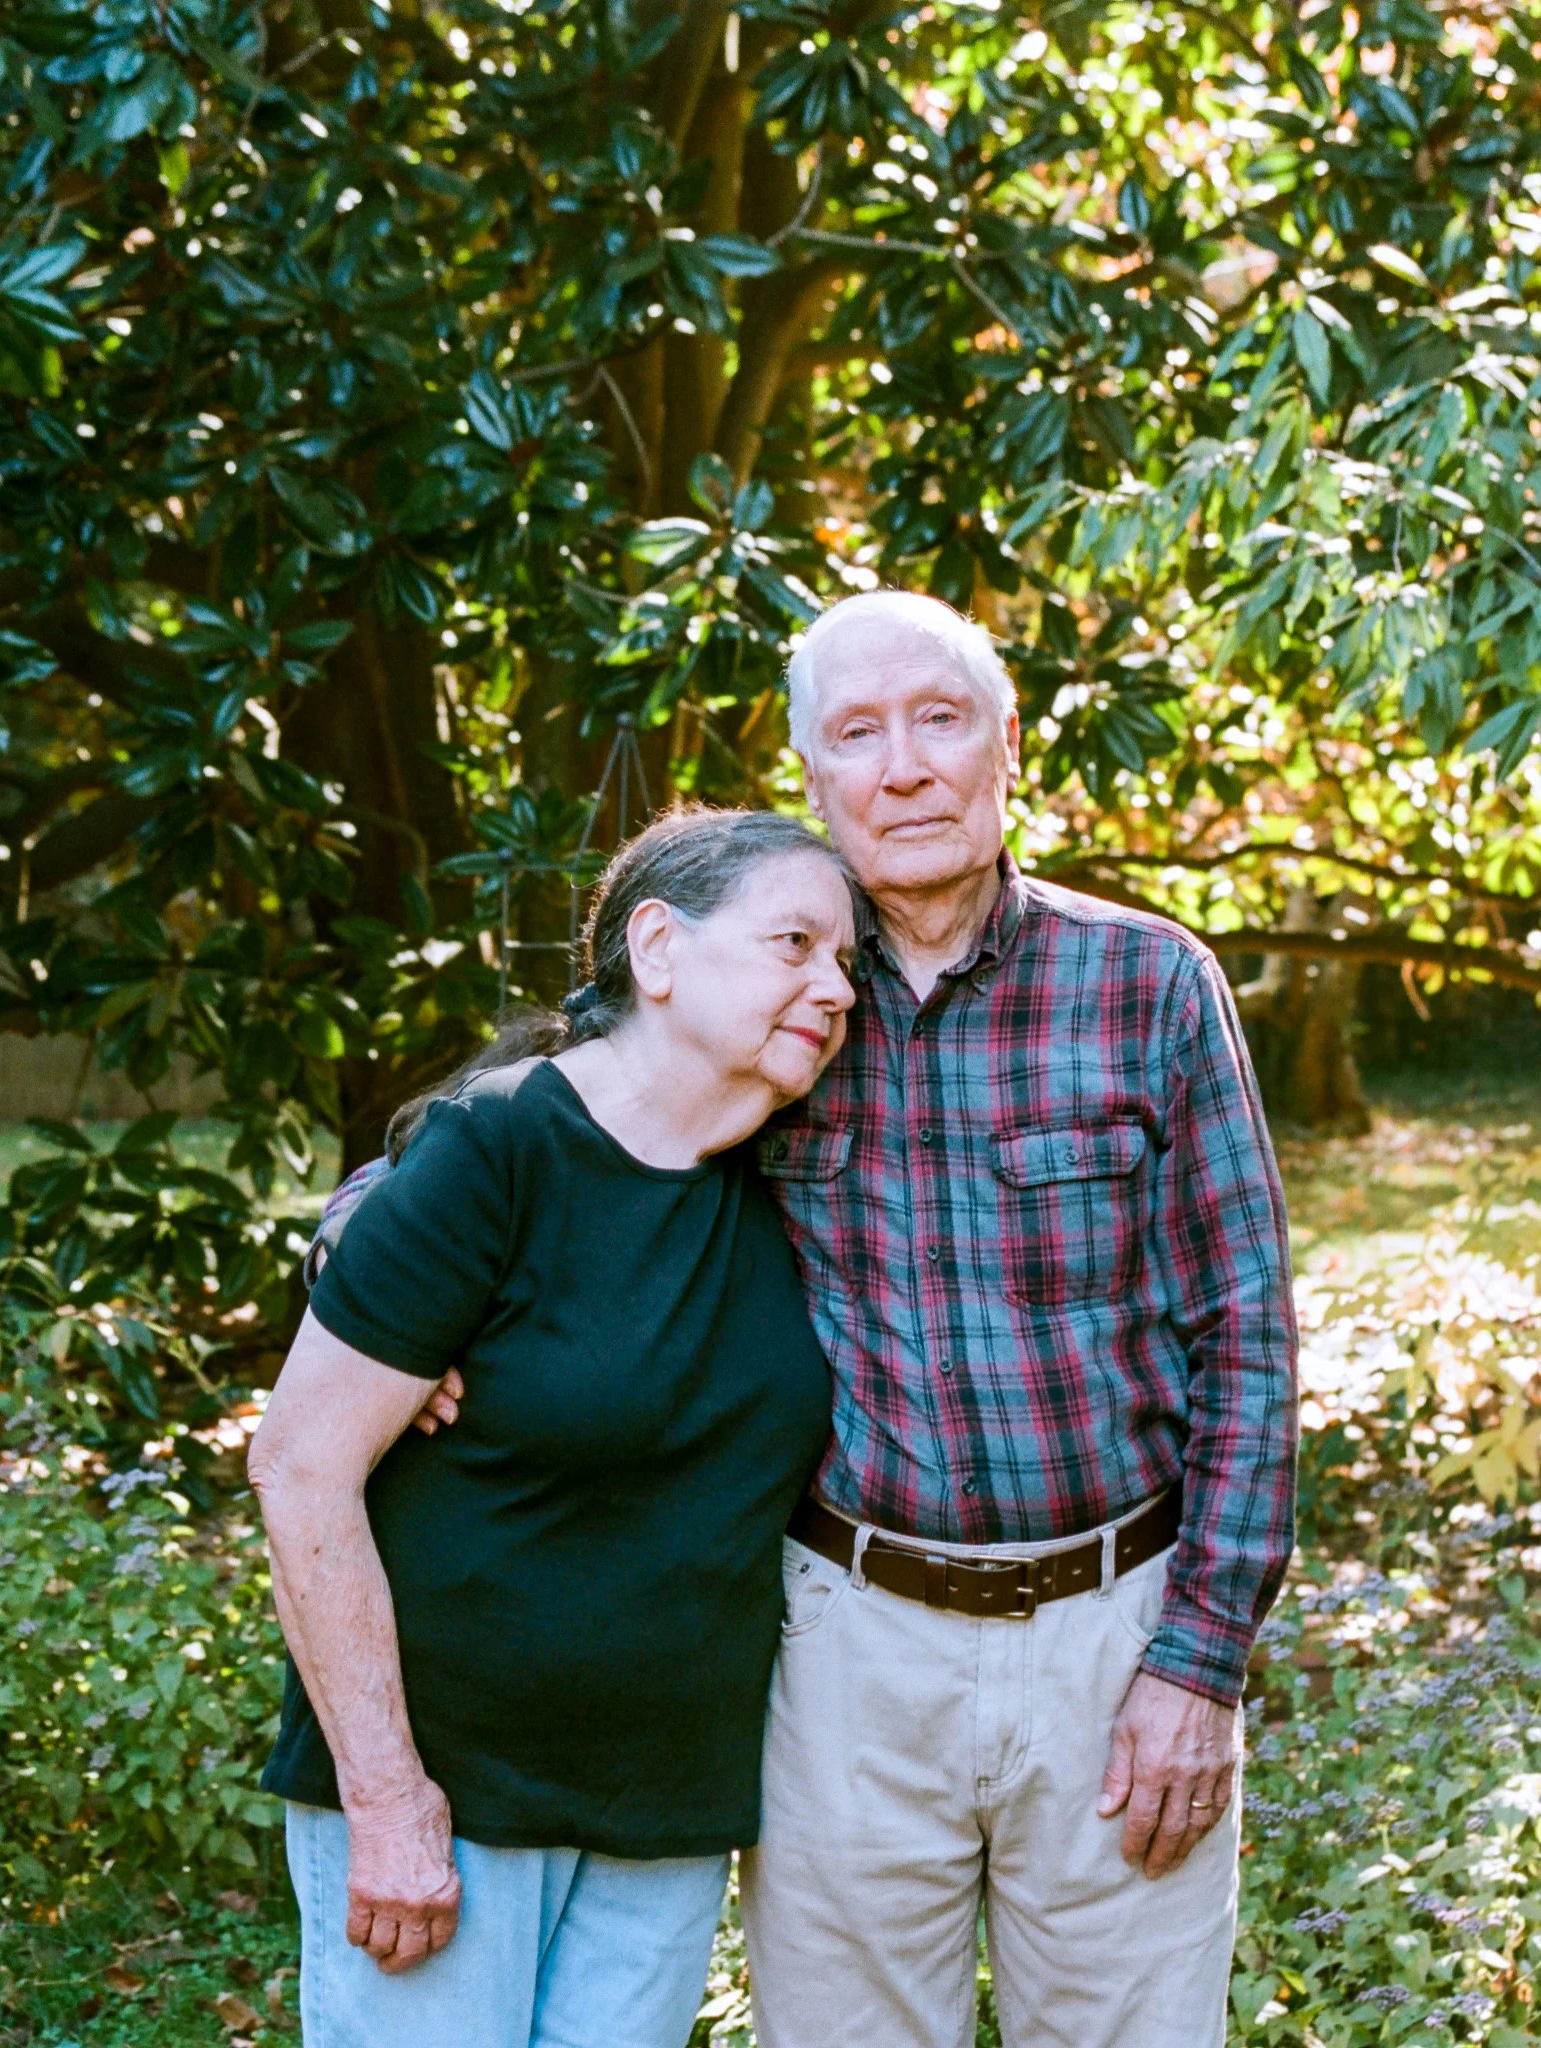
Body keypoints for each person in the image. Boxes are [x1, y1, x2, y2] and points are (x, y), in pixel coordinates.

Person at [347, 590, 1299, 2046]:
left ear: (1005, 746)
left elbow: (1247, 1340)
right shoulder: (772, 988)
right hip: (845, 1642)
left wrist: (1199, 1663)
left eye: (939, 720)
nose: (903, 766)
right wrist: (357, 1241)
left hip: (1116, 1636)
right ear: (813, 780)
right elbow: (535, 1127)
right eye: (857, 733)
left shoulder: (1146, 982)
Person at [247, 806, 855, 2048]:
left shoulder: (789, 1170)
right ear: (659, 947)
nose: (834, 987)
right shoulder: (503, 1143)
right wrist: (387, 1798)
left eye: (846, 962)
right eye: (795, 941)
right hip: (447, 1797)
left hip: (665, 1815)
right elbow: (301, 1466)